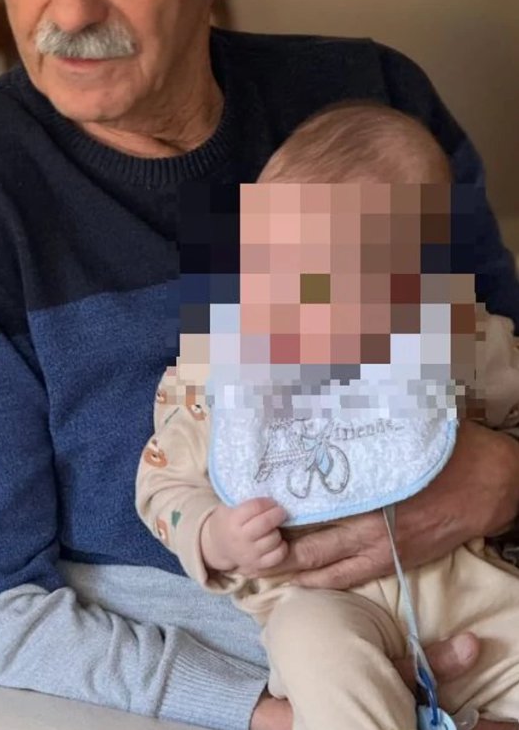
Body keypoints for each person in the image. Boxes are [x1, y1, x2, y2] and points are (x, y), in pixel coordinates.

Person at [0, 0, 517, 730]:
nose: (69, 6)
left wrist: (505, 477)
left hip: (467, 599)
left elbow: (500, 350)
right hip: (206, 672)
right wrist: (280, 711)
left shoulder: (372, 101)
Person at [136, 101, 519, 730]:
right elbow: (161, 484)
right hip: (321, 599)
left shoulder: (459, 341)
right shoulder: (222, 370)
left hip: (472, 596)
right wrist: (212, 533)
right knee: (316, 649)